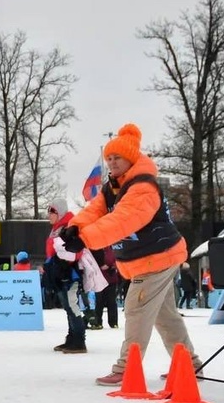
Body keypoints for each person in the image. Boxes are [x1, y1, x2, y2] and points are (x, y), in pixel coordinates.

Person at [61, 123, 202, 385]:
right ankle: (190, 365)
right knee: (165, 315)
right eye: (109, 158)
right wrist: (74, 229)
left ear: (131, 159)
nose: (112, 163)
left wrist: (84, 239)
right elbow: (95, 211)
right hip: (147, 258)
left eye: (117, 158)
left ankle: (127, 368)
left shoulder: (143, 188)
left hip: (157, 257)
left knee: (136, 309)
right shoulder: (112, 187)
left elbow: (122, 221)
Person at [43, 198, 87, 354]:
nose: (49, 215)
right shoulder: (56, 228)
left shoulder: (69, 226)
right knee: (67, 306)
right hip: (59, 271)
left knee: (72, 305)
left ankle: (79, 340)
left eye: (51, 212)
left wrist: (63, 261)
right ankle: (72, 338)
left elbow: (76, 249)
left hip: (69, 272)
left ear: (59, 212)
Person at [93, 246, 120, 328]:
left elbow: (119, 260)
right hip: (99, 279)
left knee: (111, 301)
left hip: (111, 278)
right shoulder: (96, 249)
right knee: (99, 301)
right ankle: (97, 322)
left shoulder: (112, 249)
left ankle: (113, 322)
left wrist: (112, 266)